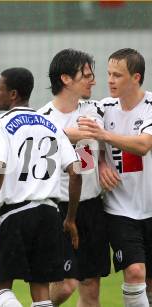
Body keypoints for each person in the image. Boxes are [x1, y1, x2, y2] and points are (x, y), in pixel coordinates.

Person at [0, 67, 82, 307]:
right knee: (41, 289)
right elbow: (76, 172)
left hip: (16, 213)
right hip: (49, 215)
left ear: (13, 94)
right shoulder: (51, 125)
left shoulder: (0, 123)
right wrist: (70, 218)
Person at [79, 48, 152, 307]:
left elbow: (143, 145)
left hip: (149, 208)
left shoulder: (150, 108)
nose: (109, 80)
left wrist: (105, 137)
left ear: (136, 78)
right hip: (119, 210)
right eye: (108, 74)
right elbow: (85, 143)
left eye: (117, 75)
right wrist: (99, 164)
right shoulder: (102, 108)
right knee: (134, 272)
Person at [38, 49, 110, 307]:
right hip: (58, 208)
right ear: (66, 79)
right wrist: (67, 134)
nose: (93, 81)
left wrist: (102, 164)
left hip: (92, 206)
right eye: (86, 75)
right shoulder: (42, 119)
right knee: (66, 284)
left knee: (90, 287)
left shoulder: (97, 111)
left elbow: (106, 145)